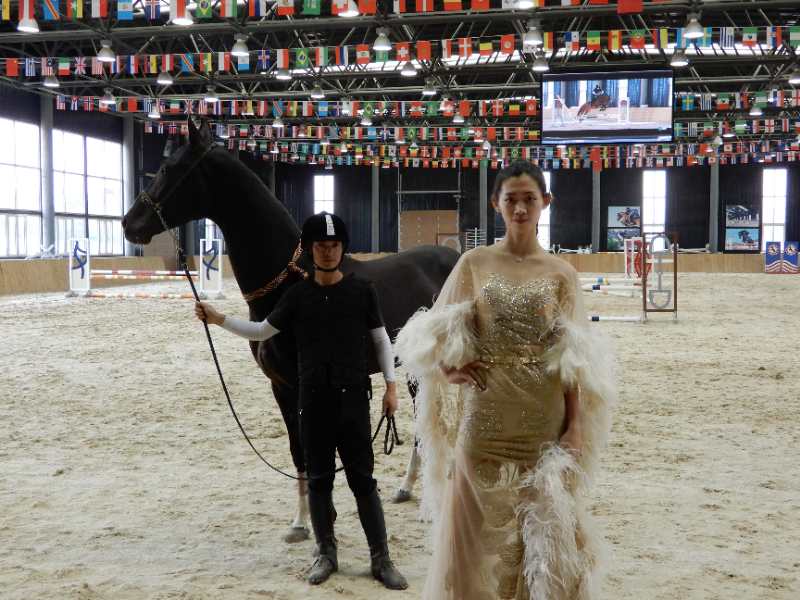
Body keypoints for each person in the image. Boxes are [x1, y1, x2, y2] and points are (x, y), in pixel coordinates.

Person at [395, 161, 615, 600]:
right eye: (511, 199)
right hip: (484, 420)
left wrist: (574, 426)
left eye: (529, 199)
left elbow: (572, 357)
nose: (520, 209)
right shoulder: (474, 263)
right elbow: (432, 331)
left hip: (543, 422)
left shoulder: (562, 273)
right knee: (472, 540)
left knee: (543, 540)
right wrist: (447, 369)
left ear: (545, 202)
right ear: (496, 204)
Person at [194, 212, 408, 590]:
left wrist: (391, 387)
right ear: (310, 250)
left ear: (342, 248)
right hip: (313, 403)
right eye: (321, 246)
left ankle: (381, 557)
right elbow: (261, 331)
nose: (328, 252)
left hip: (354, 402)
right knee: (320, 481)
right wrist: (218, 319)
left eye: (334, 245)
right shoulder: (296, 296)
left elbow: (380, 340)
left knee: (363, 481)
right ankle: (326, 553)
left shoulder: (362, 290)